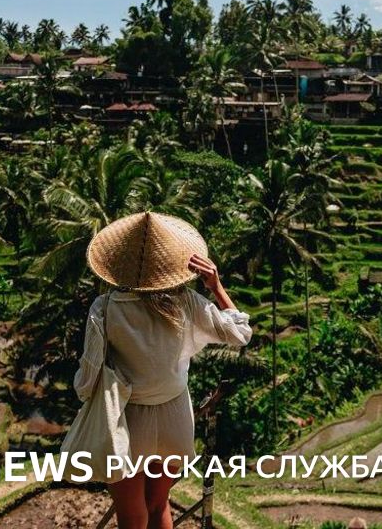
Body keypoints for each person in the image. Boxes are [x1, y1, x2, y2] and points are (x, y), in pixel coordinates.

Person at [72, 212, 252, 529]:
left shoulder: (105, 307)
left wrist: (87, 396)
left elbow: (87, 379)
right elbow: (239, 335)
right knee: (158, 506)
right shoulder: (184, 301)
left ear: (118, 264)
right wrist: (216, 285)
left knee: (133, 516)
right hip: (174, 417)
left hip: (127, 418)